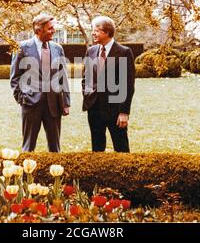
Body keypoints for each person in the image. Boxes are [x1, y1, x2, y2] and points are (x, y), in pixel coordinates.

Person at [10, 14, 70, 152]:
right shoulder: (22, 47)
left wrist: (66, 102)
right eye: (50, 28)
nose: (53, 31)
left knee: (55, 148)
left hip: (54, 105)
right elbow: (15, 78)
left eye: (53, 28)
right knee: (28, 147)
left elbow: (63, 78)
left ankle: (56, 173)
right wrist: (22, 98)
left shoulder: (57, 48)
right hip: (30, 104)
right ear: (38, 30)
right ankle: (26, 173)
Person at [82, 16, 135, 152]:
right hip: (94, 108)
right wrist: (87, 95)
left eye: (97, 30)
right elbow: (86, 78)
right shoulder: (91, 51)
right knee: (97, 149)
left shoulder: (124, 52)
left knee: (121, 148)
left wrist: (124, 112)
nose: (93, 33)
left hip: (115, 110)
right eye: (93, 30)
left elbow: (127, 85)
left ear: (107, 32)